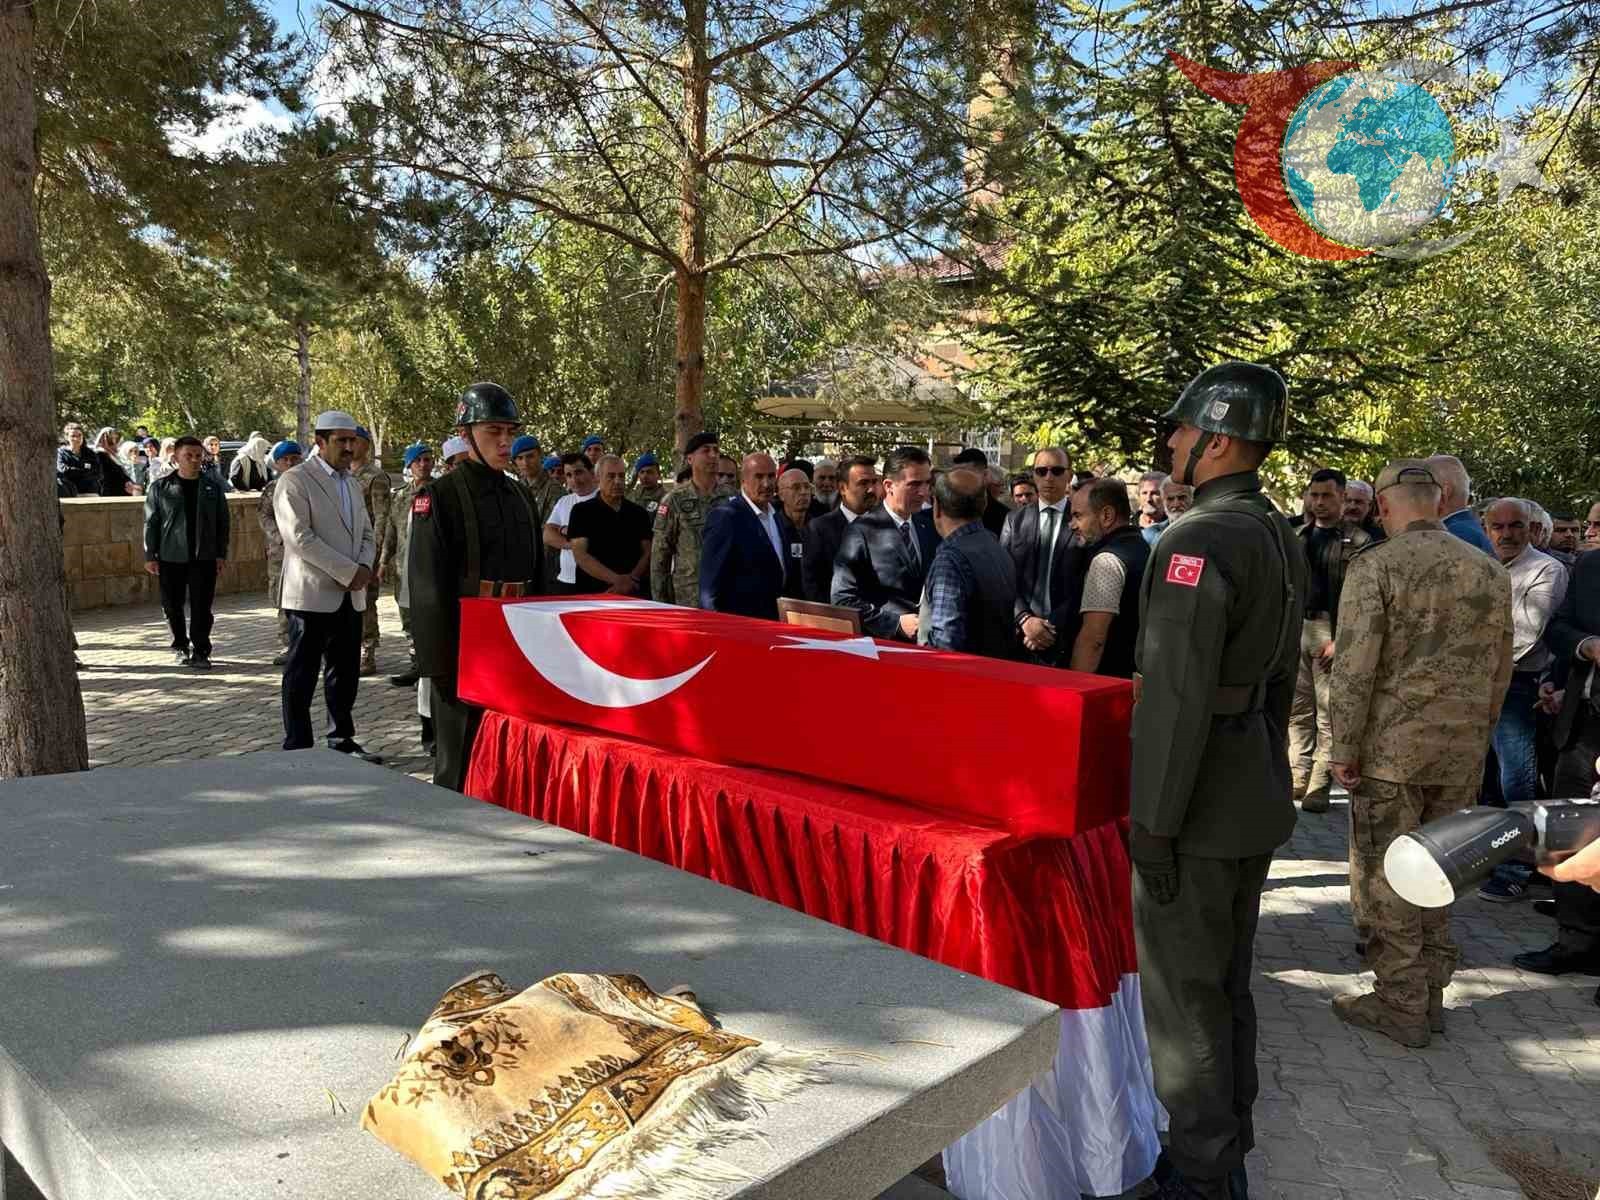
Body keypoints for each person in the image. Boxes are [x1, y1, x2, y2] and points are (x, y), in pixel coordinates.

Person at [1129, 362, 1306, 1200]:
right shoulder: (1274, 530)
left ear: (1221, 440)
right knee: (1228, 982)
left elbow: (1174, 698)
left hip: (1196, 803)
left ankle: (1202, 1172)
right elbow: (1280, 681)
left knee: (1185, 996)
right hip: (1248, 788)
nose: (1171, 440)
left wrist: (1153, 824)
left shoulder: (1197, 539)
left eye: (1183, 427)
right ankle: (1225, 1147)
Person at [1327, 460, 1514, 1046]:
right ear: (1438, 500)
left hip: (1392, 756)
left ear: (1384, 506)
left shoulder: (1376, 566)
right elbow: (1501, 670)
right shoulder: (1488, 569)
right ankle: (1429, 994)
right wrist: (1478, 735)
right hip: (1460, 753)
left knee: (1388, 877)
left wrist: (1343, 746)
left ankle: (1401, 1001)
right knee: (1441, 874)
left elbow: (1355, 666)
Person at [409, 382, 544, 790]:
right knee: (459, 763)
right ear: (465, 435)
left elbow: (538, 578)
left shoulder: (520, 495)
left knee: (513, 759)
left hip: (516, 643)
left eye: (510, 432)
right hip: (464, 648)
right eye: (493, 431)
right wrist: (440, 668)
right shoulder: (440, 496)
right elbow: (427, 588)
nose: (505, 442)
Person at [275, 410, 380, 762]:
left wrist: (364, 566)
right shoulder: (295, 480)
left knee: (344, 672)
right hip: (311, 595)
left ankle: (342, 739)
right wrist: (349, 571)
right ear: (320, 442)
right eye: (341, 441)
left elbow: (367, 532)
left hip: (351, 595)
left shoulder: (351, 483)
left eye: (353, 441)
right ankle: (298, 747)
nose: (349, 447)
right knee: (302, 674)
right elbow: (299, 537)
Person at [1522, 534, 1600, 978]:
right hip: (1580, 725)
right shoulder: (1589, 567)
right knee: (1569, 833)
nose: (1591, 531)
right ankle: (1574, 943)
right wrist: (1586, 645)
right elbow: (1558, 627)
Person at [1291, 468, 1372, 813]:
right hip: (1298, 627)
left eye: (1326, 495)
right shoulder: (1297, 535)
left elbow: (1363, 598)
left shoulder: (1360, 541)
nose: (1319, 502)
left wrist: (1343, 639)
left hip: (1332, 630)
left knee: (1328, 714)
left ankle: (1319, 784)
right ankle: (1297, 775)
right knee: (1297, 710)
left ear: (1341, 497)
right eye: (1314, 495)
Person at [832, 446, 939, 640]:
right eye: (914, 484)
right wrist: (894, 623)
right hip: (885, 644)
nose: (923, 492)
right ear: (889, 485)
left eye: (927, 483)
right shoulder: (861, 531)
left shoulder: (929, 525)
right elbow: (842, 599)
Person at [143, 435, 230, 669]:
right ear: (176, 457)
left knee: (202, 606)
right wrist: (150, 555)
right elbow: (151, 522)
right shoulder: (160, 487)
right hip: (171, 556)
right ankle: (180, 646)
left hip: (204, 556)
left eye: (198, 456)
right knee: (172, 605)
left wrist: (220, 554)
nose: (194, 460)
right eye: (188, 456)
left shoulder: (212, 487)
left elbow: (223, 523)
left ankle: (201, 651)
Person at [918, 467, 1017, 657]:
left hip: (959, 672)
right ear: (984, 505)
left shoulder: (950, 560)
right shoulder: (995, 546)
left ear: (937, 507)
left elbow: (945, 645)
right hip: (995, 668)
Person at [1001, 447, 1083, 665]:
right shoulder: (1014, 520)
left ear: (1069, 475)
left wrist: (1047, 628)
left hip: (1064, 638)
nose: (1048, 477)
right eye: (1041, 471)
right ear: (1034, 475)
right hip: (1020, 637)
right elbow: (1002, 576)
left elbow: (1084, 582)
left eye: (1057, 471)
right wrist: (1025, 619)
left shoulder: (1083, 520)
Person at [699, 453, 800, 619]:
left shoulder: (777, 516)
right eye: (759, 477)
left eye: (770, 476)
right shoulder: (726, 517)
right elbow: (709, 589)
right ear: (743, 480)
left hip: (776, 621)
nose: (766, 484)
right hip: (741, 624)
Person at [1067, 477, 1150, 677]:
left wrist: (1075, 685)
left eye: (1078, 515)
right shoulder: (1142, 547)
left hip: (1107, 681)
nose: (1072, 525)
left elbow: (1093, 639)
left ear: (1106, 515)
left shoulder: (1106, 561)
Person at [650, 431, 731, 606]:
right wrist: (661, 604)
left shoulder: (732, 498)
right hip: (688, 598)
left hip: (727, 596)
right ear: (690, 459)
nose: (713, 455)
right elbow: (660, 558)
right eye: (706, 450)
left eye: (716, 450)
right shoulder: (674, 500)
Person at [381, 443, 434, 688]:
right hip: (403, 570)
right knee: (408, 619)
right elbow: (391, 532)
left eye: (427, 459)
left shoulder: (439, 492)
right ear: (409, 465)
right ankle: (416, 664)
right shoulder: (400, 496)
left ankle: (430, 667)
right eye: (418, 461)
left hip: (430, 569)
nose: (423, 465)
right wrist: (383, 561)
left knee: (430, 619)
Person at [568, 455, 654, 595]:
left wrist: (631, 580)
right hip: (595, 594)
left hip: (634, 592)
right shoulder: (581, 512)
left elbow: (648, 552)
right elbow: (580, 555)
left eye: (621, 476)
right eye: (611, 476)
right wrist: (617, 580)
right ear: (597, 478)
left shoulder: (638, 513)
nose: (617, 481)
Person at [801, 455, 877, 603]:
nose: (871, 489)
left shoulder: (887, 524)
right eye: (863, 483)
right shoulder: (819, 529)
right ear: (842, 488)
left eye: (874, 482)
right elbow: (812, 586)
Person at [348, 427, 391, 676]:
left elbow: (382, 517)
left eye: (356, 441)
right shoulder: (342, 475)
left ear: (366, 445)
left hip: (365, 550)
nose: (350, 445)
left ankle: (368, 651)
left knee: (365, 601)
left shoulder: (375, 477)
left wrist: (373, 553)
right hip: (344, 550)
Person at [258, 440, 304, 666]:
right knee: (282, 599)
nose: (290, 463)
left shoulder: (311, 486)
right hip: (280, 554)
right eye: (285, 460)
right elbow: (264, 517)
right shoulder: (271, 489)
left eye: (294, 458)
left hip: (306, 553)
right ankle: (288, 645)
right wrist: (281, 537)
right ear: (276, 464)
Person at [543, 453, 599, 594]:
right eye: (568, 475)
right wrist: (574, 544)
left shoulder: (605, 498)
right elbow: (548, 535)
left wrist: (565, 531)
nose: (574, 480)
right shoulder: (564, 501)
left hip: (597, 580)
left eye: (578, 472)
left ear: (591, 472)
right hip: (566, 580)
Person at [1424, 454, 1493, 554]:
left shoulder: (1451, 534)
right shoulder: (1470, 528)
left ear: (1444, 493)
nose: (1416, 495)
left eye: (1423, 488)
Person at [952, 448, 1008, 536]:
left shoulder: (1005, 518)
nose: (960, 480)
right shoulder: (946, 513)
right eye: (956, 475)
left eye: (967, 475)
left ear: (985, 475)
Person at [511, 434, 564, 523]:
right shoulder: (515, 488)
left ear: (540, 455)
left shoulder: (554, 489)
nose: (525, 463)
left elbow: (553, 526)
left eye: (530, 456)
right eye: (520, 458)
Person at [1142, 475, 1195, 546]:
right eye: (1170, 499)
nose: (1176, 504)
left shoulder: (1206, 530)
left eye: (1181, 497)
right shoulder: (1149, 536)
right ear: (1163, 501)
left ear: (1193, 498)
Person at [90, 427, 138, 496]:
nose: (115, 441)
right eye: (111, 438)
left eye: (116, 438)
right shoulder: (100, 455)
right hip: (110, 493)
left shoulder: (116, 455)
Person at [57, 423, 100, 496]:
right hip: (69, 493)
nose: (76, 439)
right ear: (66, 437)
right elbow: (63, 471)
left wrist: (74, 470)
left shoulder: (90, 453)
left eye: (79, 435)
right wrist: (85, 470)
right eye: (73, 436)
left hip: (90, 492)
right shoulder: (61, 453)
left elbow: (98, 473)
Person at [776, 467, 814, 532]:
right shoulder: (774, 526)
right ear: (781, 495)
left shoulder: (818, 524)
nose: (803, 492)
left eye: (807, 487)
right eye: (796, 488)